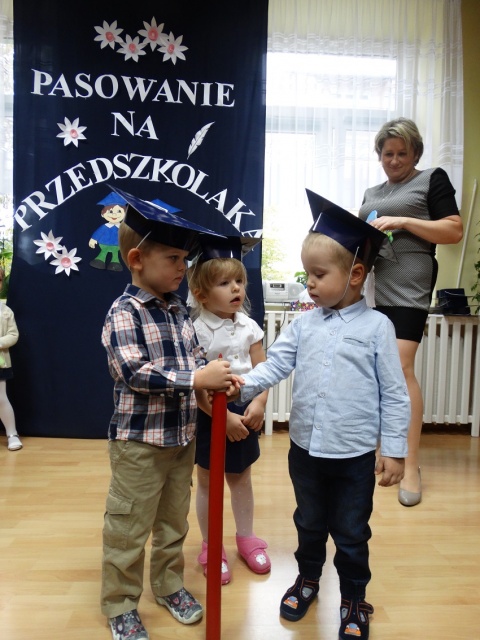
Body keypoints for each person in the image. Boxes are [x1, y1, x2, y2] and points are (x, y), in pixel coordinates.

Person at [233, 190, 410, 640]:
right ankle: (308, 578)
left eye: (318, 274)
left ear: (355, 275)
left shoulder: (378, 328)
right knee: (309, 523)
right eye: (307, 273)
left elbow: (395, 394)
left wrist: (394, 450)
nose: (308, 283)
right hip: (305, 451)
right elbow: (274, 365)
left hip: (354, 456)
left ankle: (353, 597)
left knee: (351, 532)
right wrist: (240, 385)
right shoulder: (303, 324)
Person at [100, 187, 236, 640]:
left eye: (185, 260)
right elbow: (134, 372)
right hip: (139, 445)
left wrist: (214, 382)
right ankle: (121, 603)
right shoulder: (124, 312)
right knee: (128, 527)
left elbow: (195, 360)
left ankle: (169, 584)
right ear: (137, 259)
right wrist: (197, 378)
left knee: (173, 523)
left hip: (181, 440)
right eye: (174, 259)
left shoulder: (179, 310)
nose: (183, 268)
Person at [358, 117, 463, 507]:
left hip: (408, 289)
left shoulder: (431, 179)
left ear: (415, 153)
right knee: (373, 372)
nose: (395, 160)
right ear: (379, 155)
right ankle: (381, 452)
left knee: (401, 370)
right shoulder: (371, 192)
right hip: (371, 289)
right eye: (388, 153)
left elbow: (453, 231)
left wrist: (402, 220)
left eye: (402, 153)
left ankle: (410, 463)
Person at [187, 234, 270, 585]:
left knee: (241, 477)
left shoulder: (249, 326)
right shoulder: (195, 331)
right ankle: (211, 546)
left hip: (244, 411)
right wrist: (223, 419)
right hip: (210, 413)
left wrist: (259, 403)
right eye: (224, 283)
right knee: (207, 481)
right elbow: (196, 387)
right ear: (202, 294)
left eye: (239, 280)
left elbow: (264, 370)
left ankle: (246, 538)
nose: (236, 288)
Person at [0, 268, 22, 451]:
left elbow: (13, 335)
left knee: (1, 398)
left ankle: (12, 434)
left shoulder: (6, 311)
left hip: (1, 363)